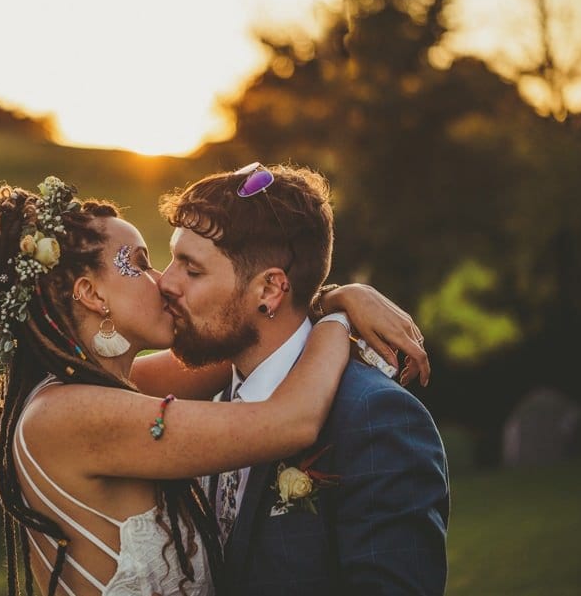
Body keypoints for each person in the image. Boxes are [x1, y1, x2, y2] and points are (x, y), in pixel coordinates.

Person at [0, 176, 428, 596]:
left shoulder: (112, 389)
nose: (163, 281)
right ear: (91, 293)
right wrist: (338, 318)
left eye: (181, 267)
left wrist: (334, 295)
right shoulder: (69, 414)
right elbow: (288, 420)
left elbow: (250, 342)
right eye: (141, 263)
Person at [155, 162, 450, 595]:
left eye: (191, 270)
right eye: (172, 260)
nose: (165, 283)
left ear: (271, 290)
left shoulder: (375, 417)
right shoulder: (208, 394)